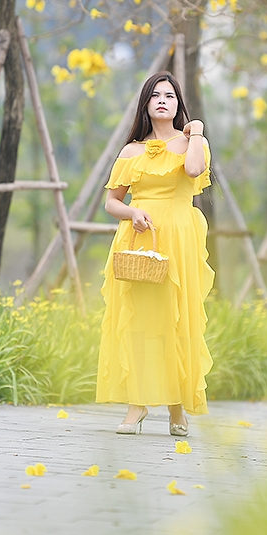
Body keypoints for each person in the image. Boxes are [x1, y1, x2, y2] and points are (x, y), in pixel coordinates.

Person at [97, 71, 214, 437]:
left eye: (170, 96)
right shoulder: (131, 151)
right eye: (156, 95)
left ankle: (177, 408)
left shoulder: (192, 143)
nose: (163, 101)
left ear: (178, 104)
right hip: (140, 238)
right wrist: (133, 212)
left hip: (179, 237)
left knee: (176, 320)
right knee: (140, 322)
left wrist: (196, 131)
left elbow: (194, 170)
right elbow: (111, 202)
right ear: (146, 104)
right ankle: (137, 405)